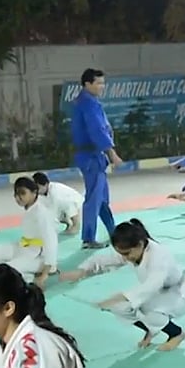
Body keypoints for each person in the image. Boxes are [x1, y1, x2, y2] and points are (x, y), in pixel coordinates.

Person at [59, 219, 185, 352]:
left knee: (148, 311)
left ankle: (176, 334)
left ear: (140, 244)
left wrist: (119, 297)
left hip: (179, 294)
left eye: (126, 253)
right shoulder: (133, 249)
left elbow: (152, 285)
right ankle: (151, 329)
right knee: (120, 307)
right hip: (158, 293)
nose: (125, 257)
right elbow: (106, 260)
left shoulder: (158, 256)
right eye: (121, 254)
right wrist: (82, 271)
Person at [70, 68, 123, 249]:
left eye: (103, 83)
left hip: (93, 156)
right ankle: (88, 238)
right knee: (94, 198)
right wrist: (111, 153)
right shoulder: (88, 104)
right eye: (98, 83)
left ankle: (113, 232)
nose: (102, 87)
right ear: (87, 84)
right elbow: (97, 130)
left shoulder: (87, 102)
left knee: (101, 198)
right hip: (91, 157)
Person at [0, 177, 60, 289]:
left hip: (40, 257)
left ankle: (27, 279)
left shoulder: (41, 213)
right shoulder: (31, 208)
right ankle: (21, 271)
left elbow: (51, 242)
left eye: (22, 193)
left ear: (34, 193)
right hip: (25, 248)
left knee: (7, 269)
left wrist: (44, 274)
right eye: (16, 194)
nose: (18, 197)